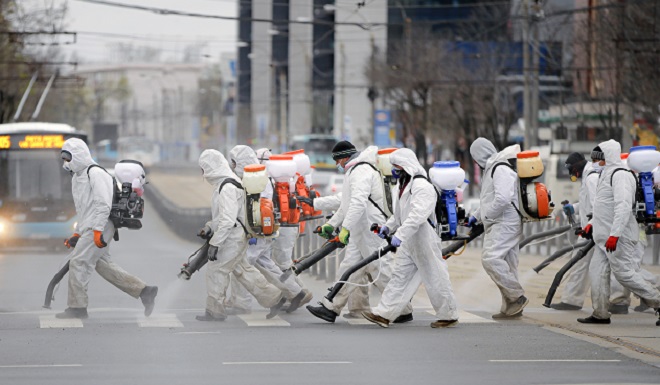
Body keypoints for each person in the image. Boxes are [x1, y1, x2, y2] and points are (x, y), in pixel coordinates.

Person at [307, 141, 412, 323]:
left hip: (371, 228)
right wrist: (331, 225)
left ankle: (402, 309)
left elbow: (358, 203)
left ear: (345, 157)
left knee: (381, 269)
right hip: (360, 230)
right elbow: (346, 205)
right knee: (348, 268)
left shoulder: (361, 170)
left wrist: (345, 228)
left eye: (337, 160)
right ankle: (330, 307)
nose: (337, 165)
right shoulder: (353, 172)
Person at [56, 138, 158, 319]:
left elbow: (103, 205)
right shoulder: (77, 177)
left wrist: (96, 231)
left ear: (78, 155)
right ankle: (144, 291)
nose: (66, 163)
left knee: (78, 262)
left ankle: (77, 307)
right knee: (103, 266)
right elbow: (83, 210)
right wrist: (77, 233)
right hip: (91, 226)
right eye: (64, 159)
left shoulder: (96, 173)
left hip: (101, 225)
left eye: (68, 158)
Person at [362, 148, 459, 328]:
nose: (394, 170)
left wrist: (399, 235)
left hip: (424, 237)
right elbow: (399, 216)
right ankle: (384, 314)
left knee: (435, 276)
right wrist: (387, 228)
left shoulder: (422, 187)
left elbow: (417, 216)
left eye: (397, 166)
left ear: (407, 166)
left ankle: (449, 314)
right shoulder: (402, 186)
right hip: (410, 239)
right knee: (399, 277)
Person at [196, 149, 285, 321]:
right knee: (242, 270)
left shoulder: (227, 187)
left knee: (217, 270)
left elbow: (228, 220)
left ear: (210, 168)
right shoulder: (228, 183)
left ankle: (215, 311)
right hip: (237, 236)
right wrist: (209, 227)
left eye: (203, 169)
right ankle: (274, 297)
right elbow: (225, 216)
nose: (202, 174)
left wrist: (215, 243)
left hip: (232, 238)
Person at [578, 139, 660, 325]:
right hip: (603, 238)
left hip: (618, 237)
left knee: (624, 274)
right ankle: (600, 313)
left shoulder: (621, 175)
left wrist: (615, 234)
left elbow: (623, 206)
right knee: (597, 272)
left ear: (607, 158)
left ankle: (657, 301)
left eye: (597, 159)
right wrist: (592, 223)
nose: (594, 163)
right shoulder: (604, 175)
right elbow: (603, 207)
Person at [229, 145, 312, 313]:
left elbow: (251, 207)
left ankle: (241, 303)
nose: (232, 165)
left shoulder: (254, 177)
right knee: (266, 264)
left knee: (243, 264)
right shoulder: (264, 177)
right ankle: (295, 292)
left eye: (233, 162)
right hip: (266, 229)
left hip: (256, 230)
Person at [469, 138, 528, 319]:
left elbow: (502, 199)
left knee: (490, 258)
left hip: (505, 222)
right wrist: (475, 217)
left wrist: (486, 216)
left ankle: (516, 296)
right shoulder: (492, 169)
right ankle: (511, 307)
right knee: (509, 265)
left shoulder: (499, 167)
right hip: (502, 221)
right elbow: (489, 199)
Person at [551, 148, 602, 311]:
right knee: (583, 264)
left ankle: (652, 292)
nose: (571, 173)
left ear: (577, 167)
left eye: (571, 170)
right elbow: (587, 203)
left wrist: (590, 225)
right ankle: (572, 300)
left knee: (584, 264)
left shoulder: (591, 178)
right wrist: (573, 208)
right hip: (592, 228)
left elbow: (598, 206)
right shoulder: (587, 177)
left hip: (594, 229)